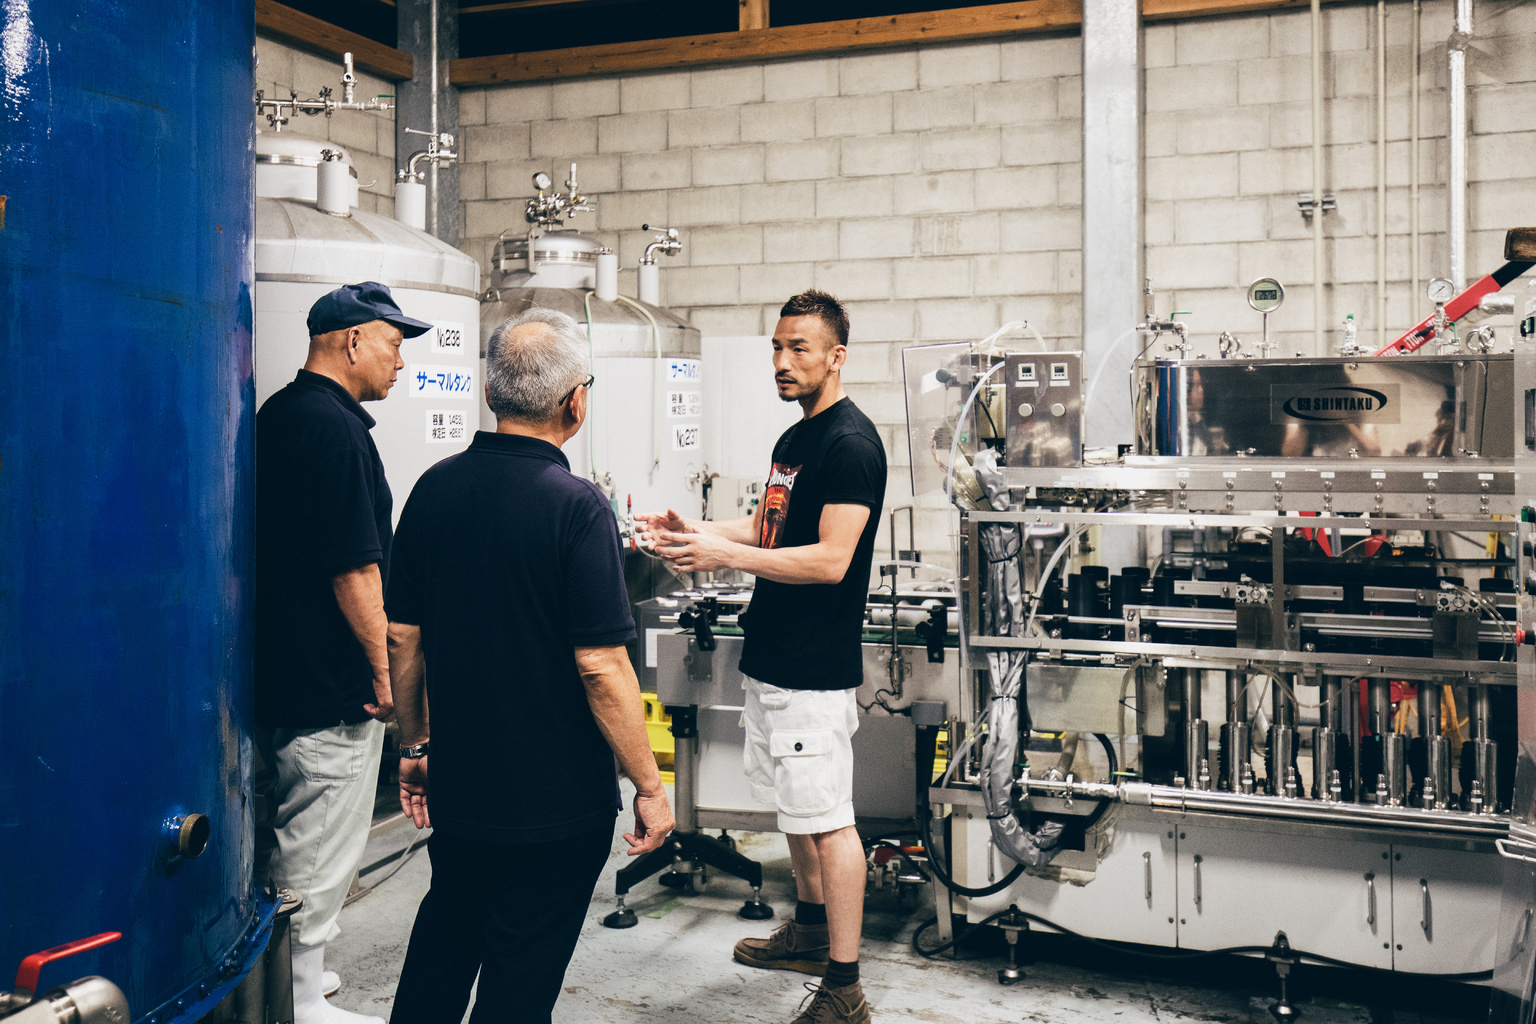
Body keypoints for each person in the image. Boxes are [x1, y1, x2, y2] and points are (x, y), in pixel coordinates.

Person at [385, 307, 675, 1024]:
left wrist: (415, 747)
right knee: (518, 986)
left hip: (461, 789)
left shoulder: (432, 489)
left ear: (490, 394)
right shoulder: (577, 507)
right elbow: (601, 666)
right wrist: (649, 784)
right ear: (576, 404)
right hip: (555, 807)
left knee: (442, 950)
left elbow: (402, 639)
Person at [639, 290, 887, 1024]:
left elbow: (833, 560)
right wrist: (696, 531)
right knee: (796, 809)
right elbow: (765, 528)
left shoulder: (850, 444)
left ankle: (845, 987)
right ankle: (809, 933)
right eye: (777, 347)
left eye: (799, 348)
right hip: (773, 658)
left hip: (812, 668)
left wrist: (722, 557)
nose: (782, 361)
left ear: (836, 356)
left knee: (830, 819)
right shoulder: (795, 439)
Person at [255, 281, 433, 1024]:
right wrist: (387, 674)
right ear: (353, 341)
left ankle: (297, 975)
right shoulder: (334, 430)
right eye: (393, 343)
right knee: (319, 843)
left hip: (283, 668)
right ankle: (295, 1000)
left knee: (294, 833)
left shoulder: (283, 413)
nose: (402, 361)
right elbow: (355, 569)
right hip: (331, 685)